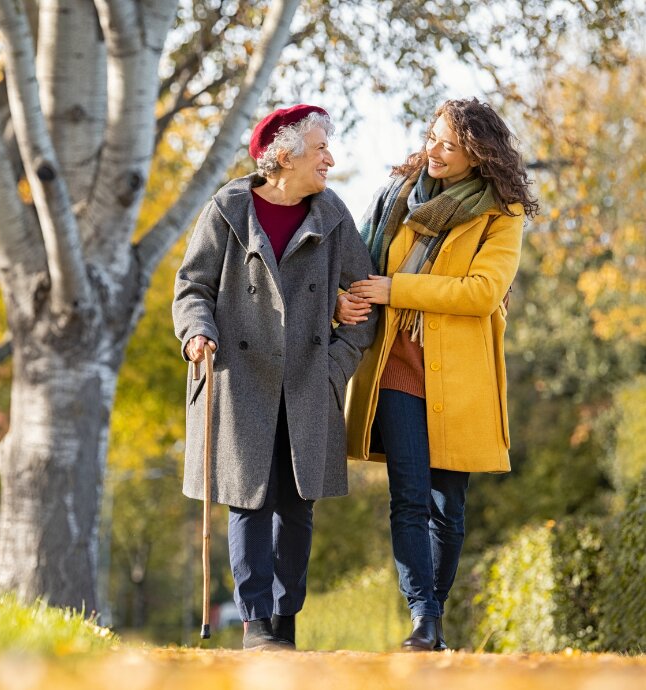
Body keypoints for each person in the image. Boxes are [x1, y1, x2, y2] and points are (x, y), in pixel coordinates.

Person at [172, 104, 378, 650]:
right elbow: (193, 287)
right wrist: (196, 332)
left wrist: (335, 367)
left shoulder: (332, 214)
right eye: (320, 151)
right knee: (249, 501)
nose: (330, 160)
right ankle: (256, 624)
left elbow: (364, 301)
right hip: (240, 378)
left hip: (309, 381)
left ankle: (286, 623)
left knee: (296, 505)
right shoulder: (228, 210)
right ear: (283, 158)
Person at [339, 97, 538, 651]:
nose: (434, 151)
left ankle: (435, 615)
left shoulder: (501, 215)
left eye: (449, 145)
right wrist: (344, 297)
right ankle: (423, 620)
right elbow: (358, 261)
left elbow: (481, 293)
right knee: (409, 497)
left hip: (461, 377)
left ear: (478, 155)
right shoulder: (398, 197)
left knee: (449, 508)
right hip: (397, 366)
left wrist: (397, 289)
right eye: (432, 137)